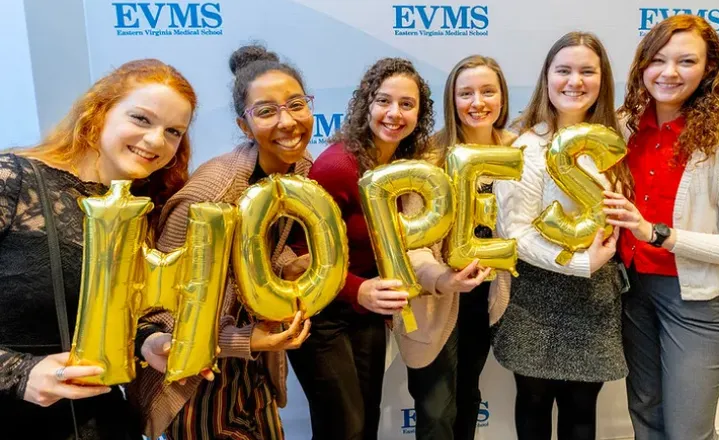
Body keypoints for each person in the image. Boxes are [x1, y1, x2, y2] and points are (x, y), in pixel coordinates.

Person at [0, 58, 196, 439]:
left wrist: (147, 342)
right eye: (141, 119)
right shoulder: (14, 180)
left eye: (173, 131)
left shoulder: (140, 210)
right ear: (99, 112)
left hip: (102, 423)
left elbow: (106, 312)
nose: (156, 141)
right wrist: (18, 373)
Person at [131, 44, 312, 440]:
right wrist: (242, 339)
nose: (288, 122)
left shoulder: (298, 170)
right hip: (195, 381)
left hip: (254, 370)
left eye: (296, 105)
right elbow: (160, 310)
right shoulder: (210, 195)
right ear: (245, 126)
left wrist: (291, 267)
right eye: (266, 111)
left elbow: (251, 253)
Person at [603, 15, 719, 440]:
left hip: (696, 301)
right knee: (645, 412)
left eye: (686, 61)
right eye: (657, 60)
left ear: (709, 68)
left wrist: (657, 234)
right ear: (642, 65)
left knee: (688, 430)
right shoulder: (625, 126)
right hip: (632, 291)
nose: (669, 72)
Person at [491, 32, 632, 440]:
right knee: (533, 404)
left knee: (582, 409)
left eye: (588, 71)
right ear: (547, 77)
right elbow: (515, 232)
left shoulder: (615, 142)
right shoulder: (526, 146)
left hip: (595, 296)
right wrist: (580, 262)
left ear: (602, 79)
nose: (575, 81)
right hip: (536, 294)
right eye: (564, 70)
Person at [286, 57, 435, 440]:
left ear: (419, 113)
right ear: (366, 104)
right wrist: (357, 289)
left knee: (365, 424)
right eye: (384, 101)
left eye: (407, 104)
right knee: (345, 428)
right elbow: (298, 258)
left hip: (365, 314)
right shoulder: (337, 167)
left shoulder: (406, 165)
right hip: (320, 314)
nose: (394, 113)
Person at [394, 54, 514, 440]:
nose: (477, 102)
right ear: (452, 99)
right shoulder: (429, 157)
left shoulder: (519, 151)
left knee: (467, 396)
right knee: (435, 408)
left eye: (487, 91)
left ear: (502, 97)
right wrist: (444, 278)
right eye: (466, 93)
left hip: (486, 297)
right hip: (434, 299)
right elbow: (412, 244)